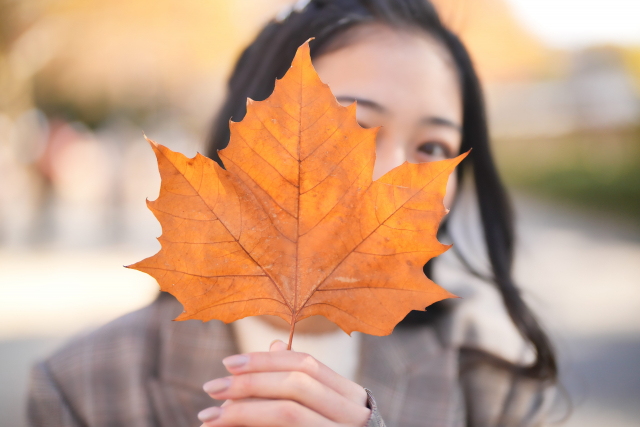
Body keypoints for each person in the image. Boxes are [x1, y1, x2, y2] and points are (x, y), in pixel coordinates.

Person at [27, 1, 558, 426]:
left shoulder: (495, 388)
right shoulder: (81, 388)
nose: (396, 174)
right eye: (358, 127)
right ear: (251, 139)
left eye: (435, 147)